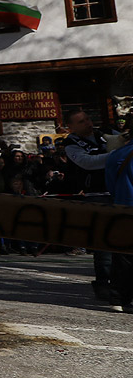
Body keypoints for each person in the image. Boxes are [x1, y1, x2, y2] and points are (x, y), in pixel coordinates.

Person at [61, 109, 114, 300]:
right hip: (95, 195)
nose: (88, 123)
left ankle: (121, 282)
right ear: (71, 127)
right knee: (103, 242)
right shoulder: (70, 144)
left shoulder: (104, 135)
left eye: (88, 119)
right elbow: (87, 163)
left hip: (118, 192)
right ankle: (103, 282)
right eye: (82, 121)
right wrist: (116, 156)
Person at [105, 128, 133, 314]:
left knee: (122, 256)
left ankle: (118, 298)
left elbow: (111, 185)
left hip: (122, 207)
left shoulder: (116, 155)